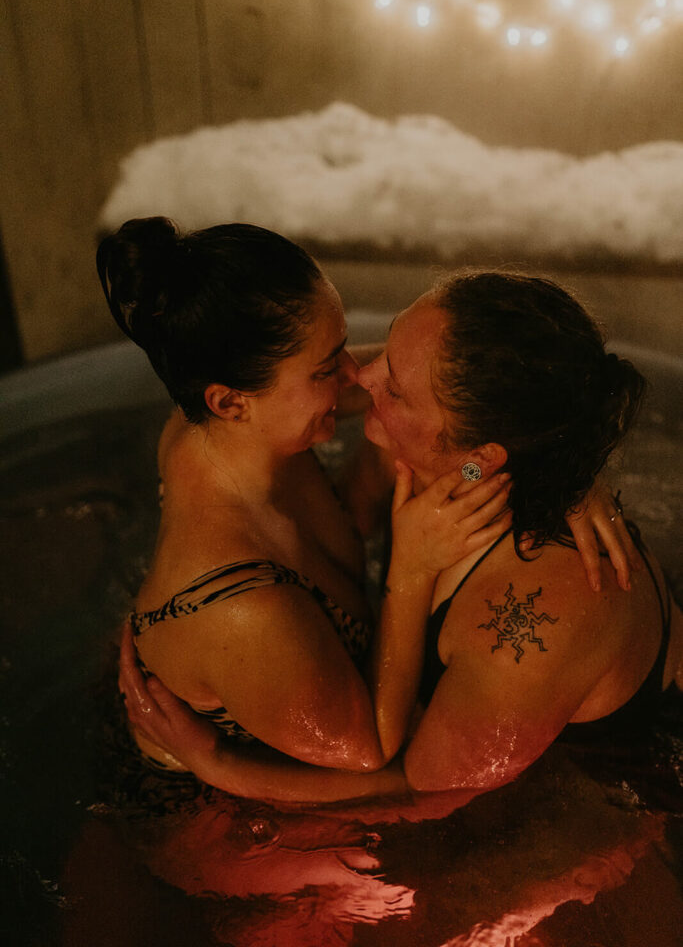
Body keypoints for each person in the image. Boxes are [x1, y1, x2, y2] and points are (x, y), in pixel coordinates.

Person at [111, 225, 671, 803]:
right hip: (214, 788)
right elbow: (386, 763)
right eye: (331, 368)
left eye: (387, 379)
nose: (361, 375)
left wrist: (566, 465)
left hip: (618, 785)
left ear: (484, 450)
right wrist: (215, 763)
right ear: (230, 402)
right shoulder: (246, 598)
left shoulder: (244, 430)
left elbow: (430, 785)